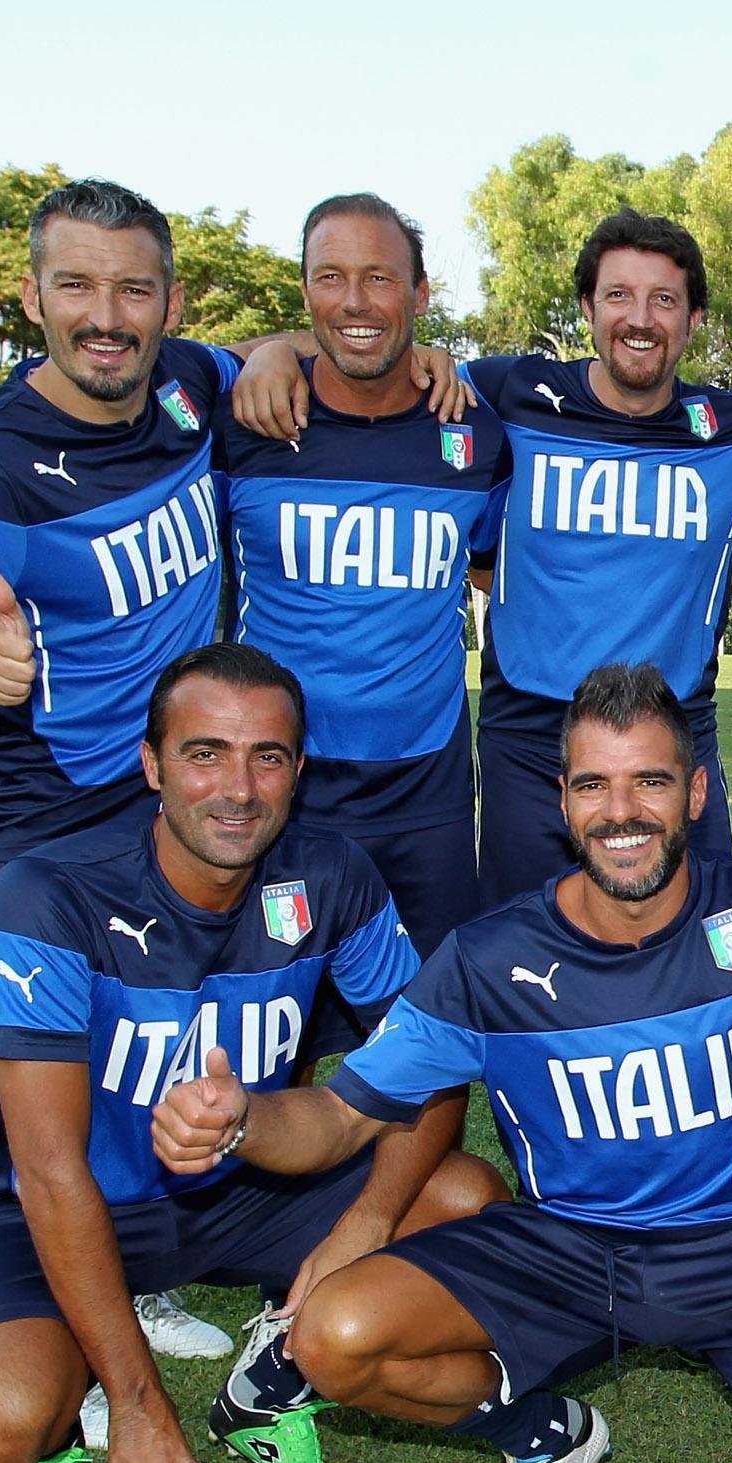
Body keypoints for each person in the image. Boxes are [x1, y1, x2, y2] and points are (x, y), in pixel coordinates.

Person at [151, 662, 732, 1463]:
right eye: (594, 785)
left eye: (650, 781)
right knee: (333, 1339)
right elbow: (341, 1115)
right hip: (569, 1245)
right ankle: (546, 1436)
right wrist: (242, 1120)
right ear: (562, 801)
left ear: (695, 793)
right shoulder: (489, 961)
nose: (622, 812)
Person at [0, 643, 499, 1463]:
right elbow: (50, 1170)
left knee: (463, 1199)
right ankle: (73, 1420)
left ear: (299, 771)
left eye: (268, 757)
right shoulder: (49, 895)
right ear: (152, 765)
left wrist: (365, 1223)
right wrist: (142, 1405)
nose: (239, 788)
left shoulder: (332, 877)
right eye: (205, 754)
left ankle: (270, 1385)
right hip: (60, 1211)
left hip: (247, 1193)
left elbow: (424, 1069)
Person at [0, 179, 254, 1361]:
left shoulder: (190, 384)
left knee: (160, 1045)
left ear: (170, 302)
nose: (108, 316)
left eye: (133, 288)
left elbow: (273, 351)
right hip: (42, 810)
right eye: (78, 286)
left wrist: (287, 350)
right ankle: (17, 1284)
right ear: (32, 296)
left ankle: (140, 1274)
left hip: (168, 800)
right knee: (26, 1071)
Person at [234, 210, 732, 908]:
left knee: (702, 943)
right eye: (618, 295)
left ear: (694, 319)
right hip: (531, 738)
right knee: (523, 949)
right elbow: (369, 345)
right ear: (587, 308)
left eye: (664, 299)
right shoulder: (507, 394)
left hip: (674, 732)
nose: (640, 318)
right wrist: (277, 352)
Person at [217, 192, 508, 956]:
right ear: (305, 291)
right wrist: (272, 351)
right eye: (331, 277)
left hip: (427, 791)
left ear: (420, 294)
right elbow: (171, 362)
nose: (354, 300)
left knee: (430, 1013)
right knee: (279, 1015)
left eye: (379, 278)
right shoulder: (247, 417)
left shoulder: (471, 429)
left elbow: (492, 573)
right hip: (283, 787)